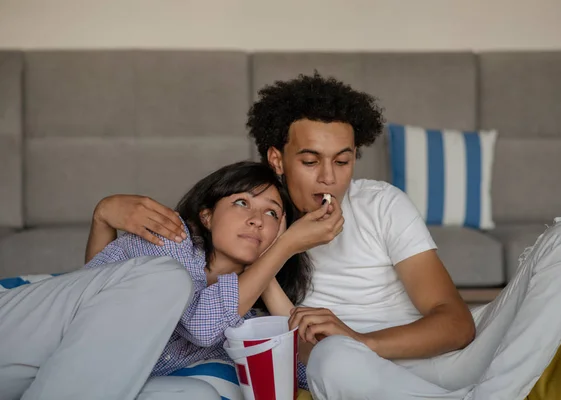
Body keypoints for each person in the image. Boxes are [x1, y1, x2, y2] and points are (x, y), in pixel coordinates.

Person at [92, 73, 561, 400]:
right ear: (277, 158)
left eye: (343, 160)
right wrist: (106, 213)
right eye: (310, 161)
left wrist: (361, 338)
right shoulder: (253, 225)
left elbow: (455, 324)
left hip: (449, 358)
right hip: (359, 376)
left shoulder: (381, 203)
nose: (330, 179)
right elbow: (149, 289)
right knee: (330, 359)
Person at [0, 161, 342, 400]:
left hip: (68, 376)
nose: (256, 220)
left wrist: (271, 264)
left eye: (272, 214)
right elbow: (200, 322)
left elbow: (305, 373)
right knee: (169, 280)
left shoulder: (242, 316)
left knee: (195, 395)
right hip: (24, 338)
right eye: (241, 202)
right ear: (206, 216)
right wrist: (281, 248)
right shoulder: (171, 239)